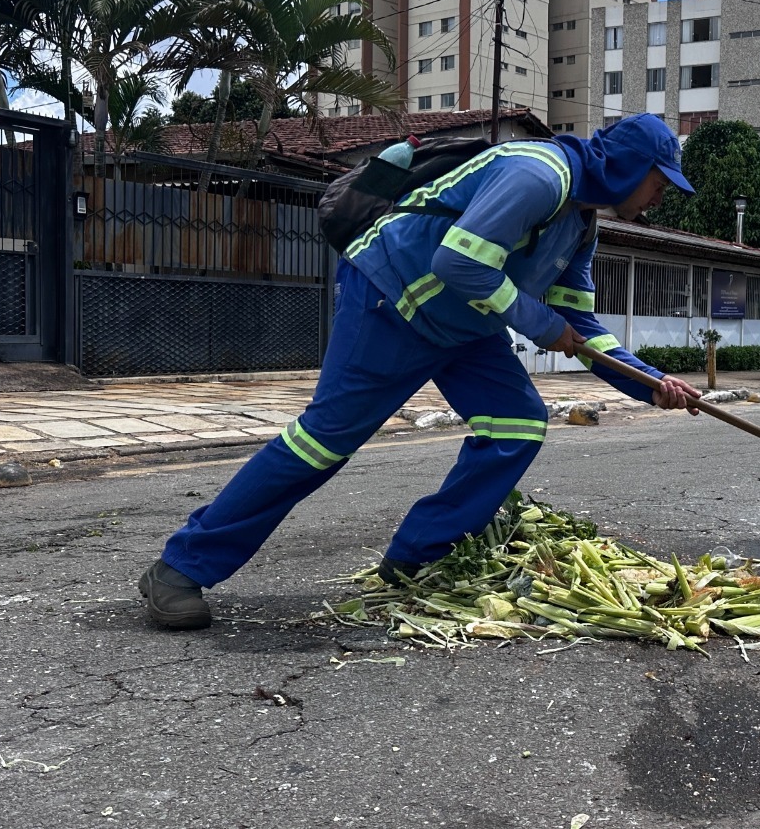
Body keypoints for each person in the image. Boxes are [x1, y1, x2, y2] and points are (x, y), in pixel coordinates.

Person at [138, 114, 703, 629]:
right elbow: (458, 260)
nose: (658, 198)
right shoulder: (538, 174)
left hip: (464, 326)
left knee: (518, 424)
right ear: (630, 167)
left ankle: (414, 558)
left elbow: (579, 322)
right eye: (660, 183)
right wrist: (537, 323)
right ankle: (180, 568)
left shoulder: (582, 223)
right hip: (392, 299)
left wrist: (651, 384)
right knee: (321, 444)